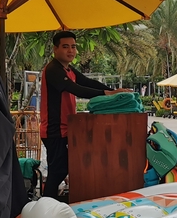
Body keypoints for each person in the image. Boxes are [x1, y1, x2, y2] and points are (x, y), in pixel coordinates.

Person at [40, 31, 130, 199]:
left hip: (66, 128)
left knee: (64, 167)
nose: (70, 51)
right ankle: (46, 203)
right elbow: (77, 89)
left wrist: (113, 91)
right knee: (59, 169)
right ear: (55, 49)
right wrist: (107, 94)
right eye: (65, 47)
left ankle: (51, 201)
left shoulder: (68, 69)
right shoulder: (53, 70)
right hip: (54, 130)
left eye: (73, 47)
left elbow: (87, 82)